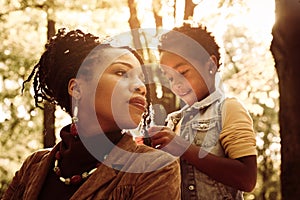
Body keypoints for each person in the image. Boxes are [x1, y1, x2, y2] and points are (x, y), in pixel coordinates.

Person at [2, 28, 181, 200]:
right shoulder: (33, 166)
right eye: (121, 72)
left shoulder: (153, 168)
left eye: (141, 78)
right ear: (77, 88)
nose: (141, 87)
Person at [147, 23, 257, 199]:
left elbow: (247, 179)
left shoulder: (229, 109)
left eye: (183, 72)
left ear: (211, 65)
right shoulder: (173, 121)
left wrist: (184, 148)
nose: (176, 84)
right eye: (169, 78)